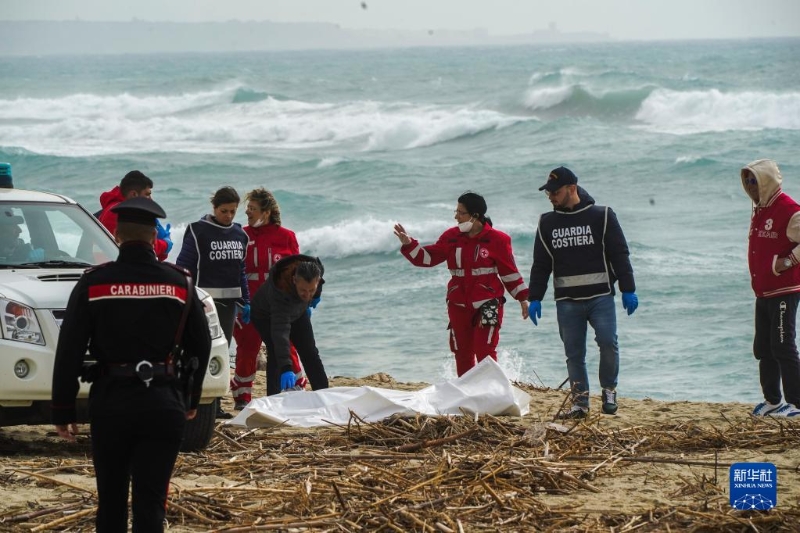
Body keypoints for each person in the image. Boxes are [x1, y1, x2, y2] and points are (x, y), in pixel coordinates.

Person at [51, 197, 212, 532]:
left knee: (110, 502)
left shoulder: (94, 283)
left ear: (117, 236)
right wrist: (191, 397)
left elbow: (69, 349)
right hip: (164, 402)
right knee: (151, 504)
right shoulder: (180, 283)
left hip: (112, 402)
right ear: (155, 237)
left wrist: (64, 409)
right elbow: (202, 342)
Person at [527, 167, 638, 419]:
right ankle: (580, 403)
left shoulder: (603, 216)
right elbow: (541, 263)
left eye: (555, 191)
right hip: (566, 301)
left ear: (572, 189)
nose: (551, 196)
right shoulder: (547, 222)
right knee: (574, 354)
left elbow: (619, 254)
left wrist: (628, 289)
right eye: (548, 192)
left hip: (601, 296)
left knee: (608, 343)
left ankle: (609, 390)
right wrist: (534, 296)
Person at [393, 191, 530, 377]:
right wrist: (409, 244)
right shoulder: (451, 236)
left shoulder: (498, 240)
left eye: (460, 212)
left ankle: (492, 393)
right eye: (456, 211)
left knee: (485, 351)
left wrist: (523, 299)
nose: (456, 216)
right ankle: (467, 395)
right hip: (458, 304)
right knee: (462, 353)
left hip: (488, 302)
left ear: (474, 216)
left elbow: (509, 272)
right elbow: (428, 258)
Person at [230, 188, 310, 410]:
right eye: (247, 209)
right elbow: (233, 270)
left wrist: (305, 302)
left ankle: (296, 389)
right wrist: (238, 302)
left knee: (286, 346)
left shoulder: (286, 237)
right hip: (249, 304)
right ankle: (242, 397)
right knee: (247, 349)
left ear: (266, 212)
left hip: (281, 306)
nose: (247, 212)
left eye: (252, 209)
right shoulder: (240, 235)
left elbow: (299, 272)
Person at [176, 186, 250, 418]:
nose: (228, 216)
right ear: (214, 208)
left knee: (221, 353)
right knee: (199, 353)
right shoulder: (198, 231)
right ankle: (193, 402)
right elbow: (184, 265)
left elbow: (241, 271)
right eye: (224, 211)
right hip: (203, 304)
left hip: (228, 306)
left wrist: (246, 301)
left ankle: (215, 405)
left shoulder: (241, 235)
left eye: (232, 211)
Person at [742, 159, 800, 417]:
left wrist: (787, 262)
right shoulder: (759, 209)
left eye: (754, 180)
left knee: (783, 345)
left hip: (784, 290)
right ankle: (773, 402)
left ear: (766, 182)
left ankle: (797, 404)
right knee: (763, 348)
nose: (750, 186)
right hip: (763, 291)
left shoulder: (789, 209)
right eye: (747, 181)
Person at [250, 254, 329, 396]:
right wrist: (287, 368)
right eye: (303, 290)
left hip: (298, 311)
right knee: (276, 351)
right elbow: (280, 334)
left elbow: (319, 282)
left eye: (311, 290)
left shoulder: (315, 270)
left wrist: (316, 295)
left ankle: (323, 394)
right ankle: (273, 399)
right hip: (265, 315)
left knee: (310, 351)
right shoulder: (281, 292)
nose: (307, 295)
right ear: (294, 280)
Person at [98, 170, 173, 261]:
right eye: (147, 194)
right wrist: (165, 245)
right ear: (134, 194)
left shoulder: (115, 208)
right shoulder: (119, 212)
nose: (151, 200)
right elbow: (139, 248)